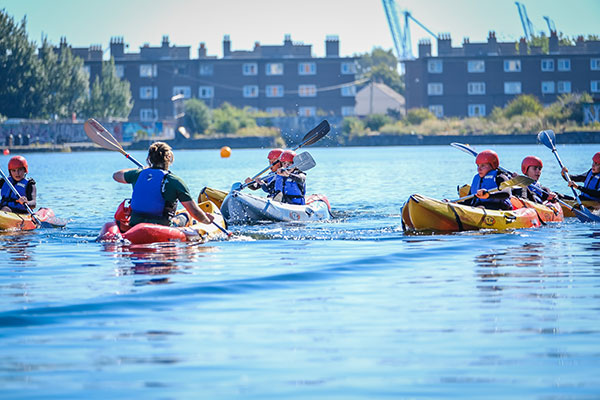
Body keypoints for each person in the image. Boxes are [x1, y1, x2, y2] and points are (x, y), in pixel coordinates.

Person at [112, 141, 214, 227]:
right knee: (187, 214)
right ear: (169, 158)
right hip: (162, 226)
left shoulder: (137, 175)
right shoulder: (175, 181)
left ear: (149, 159)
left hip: (135, 224)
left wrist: (141, 170)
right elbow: (195, 212)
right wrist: (207, 221)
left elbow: (116, 175)